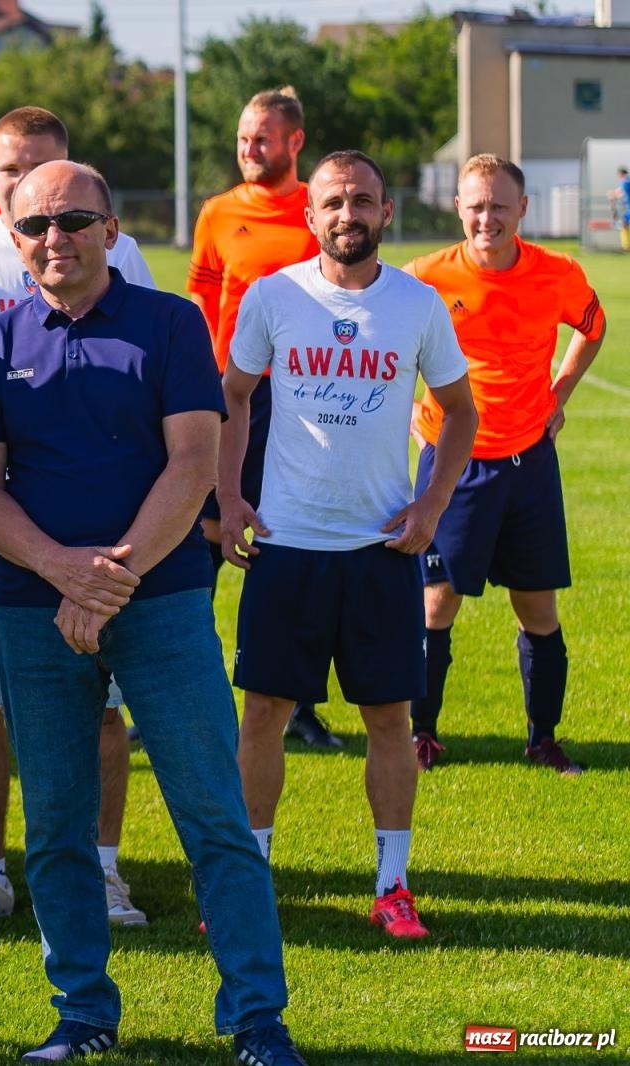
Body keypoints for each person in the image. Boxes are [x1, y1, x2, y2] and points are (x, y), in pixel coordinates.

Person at [0, 159, 305, 1064]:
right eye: (35, 225)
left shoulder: (170, 323)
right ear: (15, 238)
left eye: (74, 220)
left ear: (112, 231)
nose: (54, 239)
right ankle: (82, 1015)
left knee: (213, 816)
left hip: (163, 603)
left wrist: (106, 578)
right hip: (37, 611)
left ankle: (257, 1019)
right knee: (58, 828)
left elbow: (193, 465)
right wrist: (63, 574)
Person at [218, 150, 478, 940]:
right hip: (287, 545)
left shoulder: (418, 305)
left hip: (380, 550)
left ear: (386, 212)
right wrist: (229, 498)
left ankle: (392, 885)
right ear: (310, 215)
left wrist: (431, 503)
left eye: (363, 200)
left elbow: (460, 413)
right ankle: (249, 879)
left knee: (388, 720)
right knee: (262, 713)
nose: (347, 214)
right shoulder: (274, 297)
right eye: (333, 201)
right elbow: (232, 396)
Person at [0, 106, 153, 932]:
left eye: (43, 169)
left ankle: (105, 873)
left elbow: (144, 382)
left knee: (102, 700)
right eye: (10, 171)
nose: (28, 188)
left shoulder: (122, 254)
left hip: (95, 514)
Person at [404, 154, 604, 776]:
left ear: (522, 209)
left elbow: (593, 326)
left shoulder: (557, 273)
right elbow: (381, 343)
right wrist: (409, 410)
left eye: (498, 205)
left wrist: (560, 394)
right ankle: (423, 733)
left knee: (538, 608)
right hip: (453, 466)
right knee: (435, 606)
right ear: (458, 209)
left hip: (528, 463)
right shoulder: (424, 276)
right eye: (475, 205)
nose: (486, 217)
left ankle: (543, 739)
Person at [184, 88, 338, 750]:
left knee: (292, 550)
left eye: (262, 139)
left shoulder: (318, 216)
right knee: (201, 548)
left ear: (294, 142)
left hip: (301, 407)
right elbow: (199, 301)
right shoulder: (218, 212)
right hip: (228, 399)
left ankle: (296, 703)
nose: (249, 149)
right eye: (243, 138)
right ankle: (179, 693)